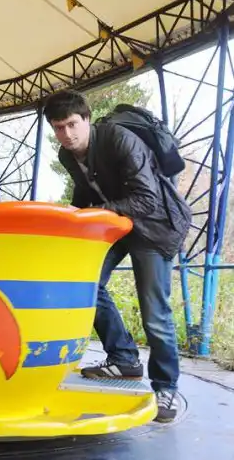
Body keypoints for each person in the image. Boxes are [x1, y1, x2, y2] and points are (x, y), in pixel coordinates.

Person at [43, 89, 192, 423]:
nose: (67, 134)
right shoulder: (67, 155)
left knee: (155, 312)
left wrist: (95, 212)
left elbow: (147, 199)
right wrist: (71, 217)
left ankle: (165, 386)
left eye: (72, 124)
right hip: (117, 226)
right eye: (58, 128)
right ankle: (124, 358)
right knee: (86, 286)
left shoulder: (118, 139)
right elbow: (86, 191)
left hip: (154, 227)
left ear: (87, 119)